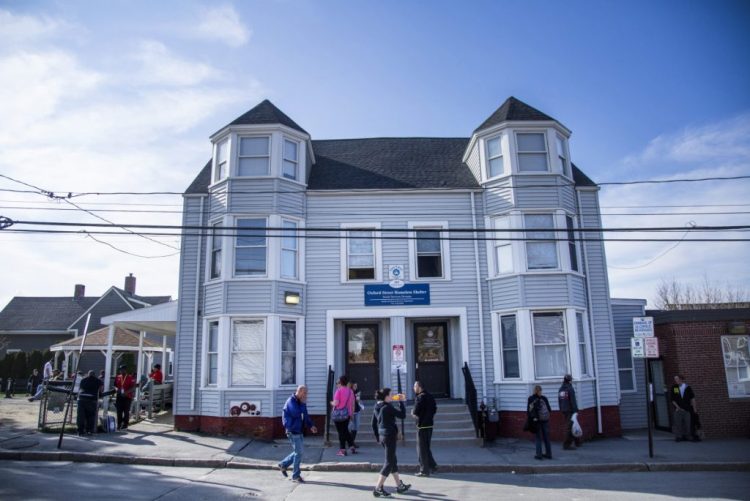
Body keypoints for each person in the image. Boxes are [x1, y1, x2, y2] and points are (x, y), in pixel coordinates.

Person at [372, 388, 411, 498]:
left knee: (393, 461)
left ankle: (399, 486)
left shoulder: (377, 406)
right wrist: (401, 401)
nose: (391, 396)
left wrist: (377, 437)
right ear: (385, 397)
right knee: (389, 462)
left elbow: (373, 423)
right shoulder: (387, 407)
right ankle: (378, 488)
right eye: (390, 395)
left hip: (383, 436)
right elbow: (402, 415)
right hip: (389, 436)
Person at [278, 385, 318, 483]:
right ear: (299, 391)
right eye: (304, 393)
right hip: (292, 430)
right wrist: (303, 403)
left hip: (299, 430)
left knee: (298, 452)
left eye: (306, 393)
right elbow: (296, 413)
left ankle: (283, 464)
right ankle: (296, 475)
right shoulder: (291, 401)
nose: (306, 395)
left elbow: (306, 416)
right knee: (299, 452)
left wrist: (311, 425)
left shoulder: (300, 402)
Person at [412, 380, 438, 476]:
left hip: (422, 425)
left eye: (415, 386)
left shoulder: (419, 398)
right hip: (430, 425)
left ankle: (424, 470)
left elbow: (415, 411)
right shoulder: (430, 396)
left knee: (421, 449)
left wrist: (413, 414)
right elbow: (435, 409)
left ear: (419, 387)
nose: (413, 388)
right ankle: (433, 466)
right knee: (426, 447)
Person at [671, 374, 700, 442]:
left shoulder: (687, 387)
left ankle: (689, 436)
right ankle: (679, 436)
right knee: (678, 423)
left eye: (677, 379)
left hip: (687, 409)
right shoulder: (675, 388)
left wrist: (695, 409)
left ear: (681, 379)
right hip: (678, 409)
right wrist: (677, 407)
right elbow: (673, 399)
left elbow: (692, 398)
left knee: (688, 423)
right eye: (675, 379)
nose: (676, 381)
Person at [331, 375, 355, 456]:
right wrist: (351, 414)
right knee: (345, 431)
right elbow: (351, 404)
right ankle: (351, 446)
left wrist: (331, 403)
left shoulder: (338, 391)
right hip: (347, 414)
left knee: (341, 432)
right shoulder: (350, 391)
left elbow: (336, 403)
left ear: (340, 382)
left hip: (338, 414)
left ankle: (342, 450)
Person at [528, 385, 552, 460]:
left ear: (534, 390)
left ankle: (539, 455)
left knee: (538, 438)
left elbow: (529, 410)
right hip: (545, 420)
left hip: (537, 420)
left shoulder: (531, 398)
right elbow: (549, 409)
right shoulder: (544, 398)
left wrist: (532, 419)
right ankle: (549, 454)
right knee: (546, 437)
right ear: (541, 391)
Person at [77, 370, 103, 436]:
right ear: (94, 375)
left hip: (82, 399)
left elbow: (80, 388)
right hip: (92, 399)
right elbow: (101, 390)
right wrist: (100, 394)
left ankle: (80, 431)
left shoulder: (83, 380)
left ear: (88, 374)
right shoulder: (98, 381)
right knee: (91, 416)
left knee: (81, 416)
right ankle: (89, 430)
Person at [558, 374, 579, 450]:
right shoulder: (570, 388)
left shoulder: (561, 389)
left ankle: (577, 441)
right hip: (570, 410)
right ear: (570, 380)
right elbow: (573, 400)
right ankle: (566, 445)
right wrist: (575, 410)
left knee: (572, 425)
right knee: (569, 427)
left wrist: (561, 409)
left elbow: (560, 400)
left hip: (564, 410)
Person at [114, 365, 135, 430]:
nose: (121, 370)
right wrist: (116, 389)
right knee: (119, 411)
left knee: (126, 411)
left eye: (123, 369)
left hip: (127, 397)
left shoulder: (130, 377)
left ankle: (125, 424)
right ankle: (119, 424)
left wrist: (126, 392)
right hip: (119, 396)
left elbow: (133, 387)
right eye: (120, 369)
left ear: (125, 370)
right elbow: (115, 385)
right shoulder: (118, 377)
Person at [348, 381, 362, 449]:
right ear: (351, 386)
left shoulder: (357, 392)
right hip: (352, 412)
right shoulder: (349, 393)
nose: (356, 387)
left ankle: (352, 442)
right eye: (354, 386)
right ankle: (351, 443)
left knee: (356, 427)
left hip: (357, 411)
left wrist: (358, 399)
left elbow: (358, 401)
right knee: (351, 427)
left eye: (356, 386)